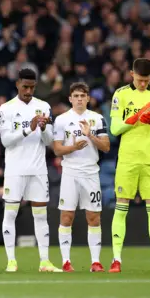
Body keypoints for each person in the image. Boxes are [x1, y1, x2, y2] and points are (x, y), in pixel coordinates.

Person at [109, 58, 150, 273]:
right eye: (139, 80)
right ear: (131, 74)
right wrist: (136, 117)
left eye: (146, 80)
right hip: (127, 159)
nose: (143, 84)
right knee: (121, 209)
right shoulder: (120, 94)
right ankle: (116, 260)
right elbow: (114, 129)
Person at [0, 68, 61, 272]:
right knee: (10, 214)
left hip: (38, 169)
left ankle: (44, 261)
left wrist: (43, 128)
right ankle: (11, 261)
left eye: (32, 87)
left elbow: (50, 140)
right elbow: (6, 141)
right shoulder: (6, 109)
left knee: (41, 215)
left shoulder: (43, 106)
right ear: (17, 84)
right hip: (15, 169)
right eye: (25, 86)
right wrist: (28, 128)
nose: (28, 91)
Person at [52, 82, 110, 272]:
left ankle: (95, 261)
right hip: (70, 172)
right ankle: (66, 261)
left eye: (82, 96)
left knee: (94, 217)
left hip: (91, 172)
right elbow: (57, 149)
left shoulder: (97, 119)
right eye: (75, 96)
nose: (79, 99)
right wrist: (74, 148)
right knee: (67, 216)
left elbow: (106, 147)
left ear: (88, 98)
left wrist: (90, 135)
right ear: (70, 99)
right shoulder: (61, 120)